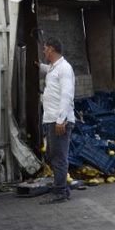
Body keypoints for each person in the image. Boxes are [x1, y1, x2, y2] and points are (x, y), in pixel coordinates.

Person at [39, 36, 76, 204]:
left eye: (45, 48)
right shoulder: (54, 67)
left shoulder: (64, 69)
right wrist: (37, 66)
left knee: (59, 156)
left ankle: (61, 191)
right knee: (52, 154)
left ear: (52, 49)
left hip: (59, 120)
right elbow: (48, 70)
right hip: (51, 118)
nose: (44, 51)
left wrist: (61, 119)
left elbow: (67, 95)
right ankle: (59, 186)